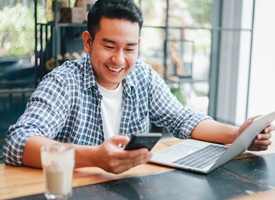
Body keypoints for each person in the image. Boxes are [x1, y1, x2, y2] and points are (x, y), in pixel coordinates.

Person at [3, 0, 274, 174]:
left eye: (129, 48)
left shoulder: (142, 76)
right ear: (88, 42)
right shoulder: (63, 81)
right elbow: (16, 144)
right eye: (109, 46)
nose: (119, 60)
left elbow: (182, 119)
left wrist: (239, 134)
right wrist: (95, 158)